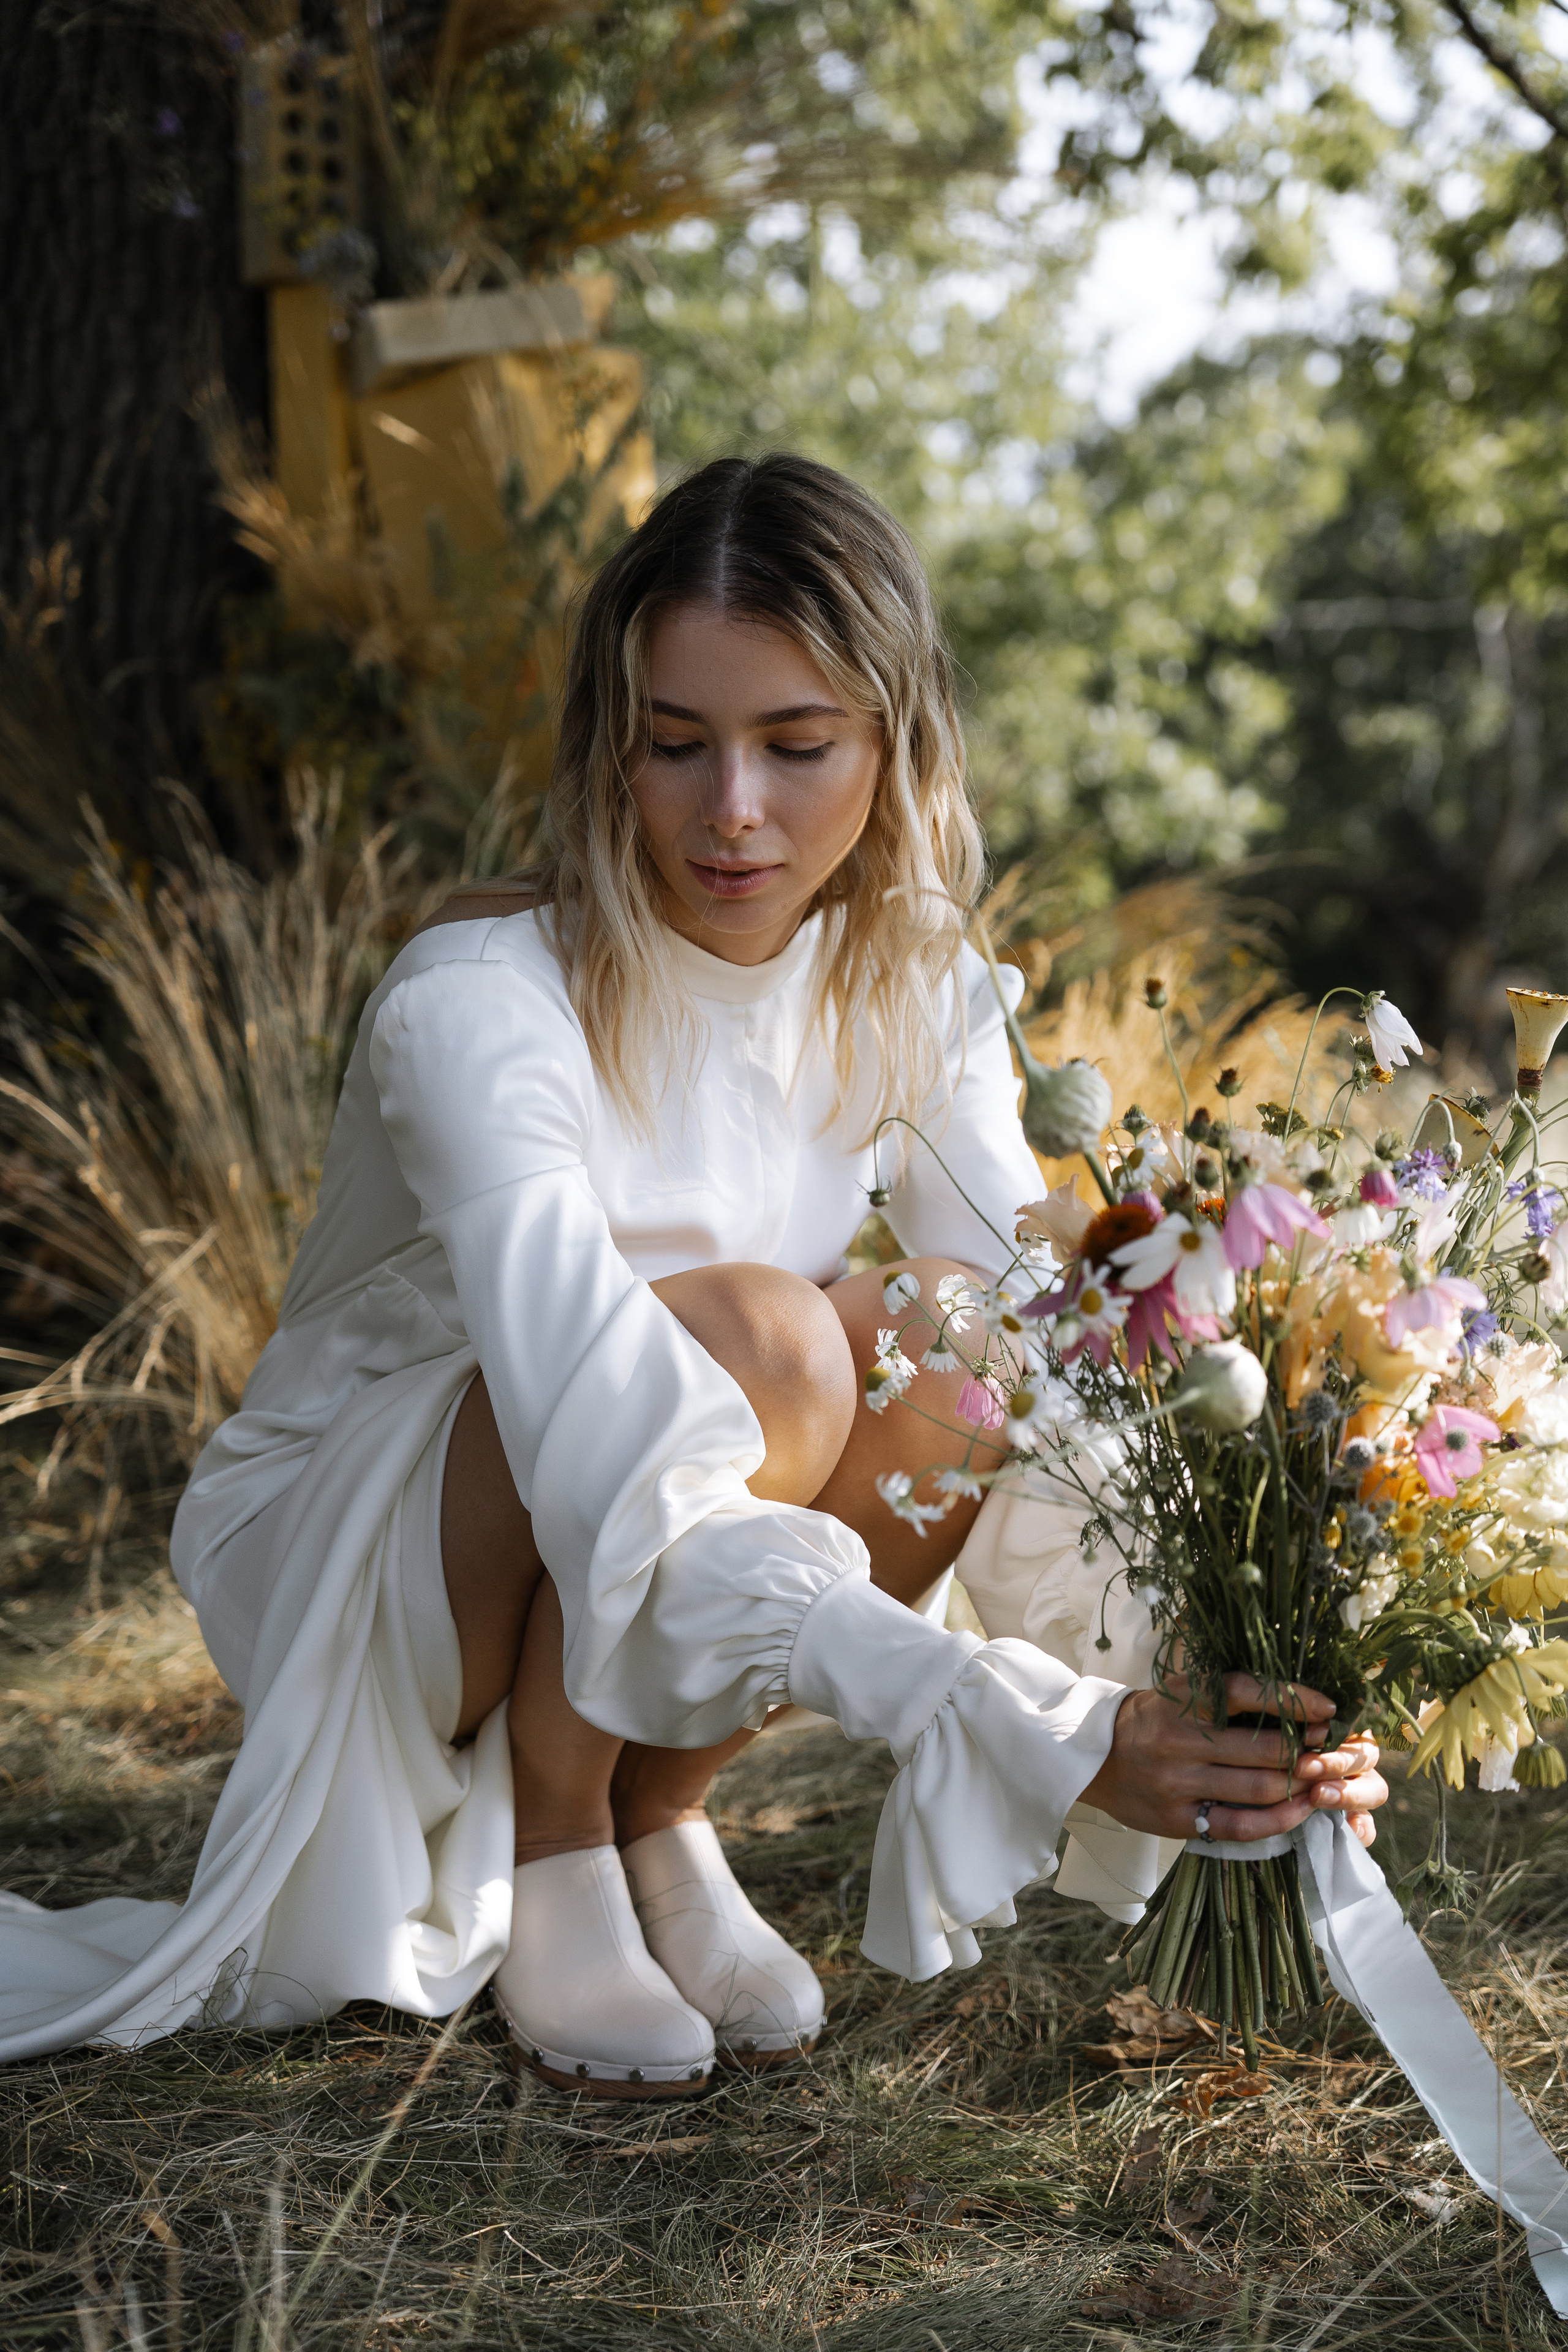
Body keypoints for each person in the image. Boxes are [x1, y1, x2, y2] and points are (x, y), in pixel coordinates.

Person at [0, 454, 1384, 2081]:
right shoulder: (478, 1003)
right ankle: (555, 1840)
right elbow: (597, 1412)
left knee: (950, 1333)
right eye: (677, 744)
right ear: (614, 744)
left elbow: (1034, 1339)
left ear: (893, 744)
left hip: (654, 1487)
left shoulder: (918, 980)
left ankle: (661, 1815)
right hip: (379, 1540)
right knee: (778, 1345)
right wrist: (1037, 1737)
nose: (735, 809)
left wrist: (1209, 1645)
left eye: (798, 747)